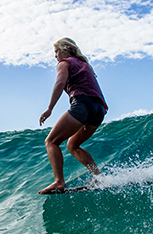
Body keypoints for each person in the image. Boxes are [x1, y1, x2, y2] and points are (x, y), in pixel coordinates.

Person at [38, 38, 108, 194]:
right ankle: (97, 176)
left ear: (65, 50)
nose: (55, 55)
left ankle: (58, 182)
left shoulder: (64, 63)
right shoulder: (86, 65)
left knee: (51, 141)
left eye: (56, 51)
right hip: (99, 109)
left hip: (83, 105)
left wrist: (50, 108)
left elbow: (59, 83)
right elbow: (95, 87)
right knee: (72, 145)